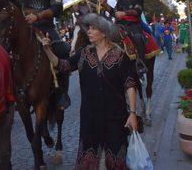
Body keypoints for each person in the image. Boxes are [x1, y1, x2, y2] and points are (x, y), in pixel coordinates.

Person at [41, 13, 139, 169]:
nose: (89, 31)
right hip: (90, 117)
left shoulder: (120, 55)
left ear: (104, 32)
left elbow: (130, 84)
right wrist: (47, 50)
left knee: (114, 160)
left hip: (115, 117)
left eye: (94, 28)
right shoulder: (84, 53)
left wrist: (132, 113)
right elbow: (62, 65)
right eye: (89, 28)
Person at [0, 0, 70, 109]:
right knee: (7, 51)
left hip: (45, 27)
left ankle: (62, 94)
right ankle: (12, 92)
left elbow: (56, 7)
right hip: (27, 26)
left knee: (62, 50)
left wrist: (38, 16)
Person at [111, 0, 147, 73]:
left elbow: (137, 11)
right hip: (120, 25)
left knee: (138, 38)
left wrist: (124, 13)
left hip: (133, 25)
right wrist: (103, 4)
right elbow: (114, 12)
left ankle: (141, 64)